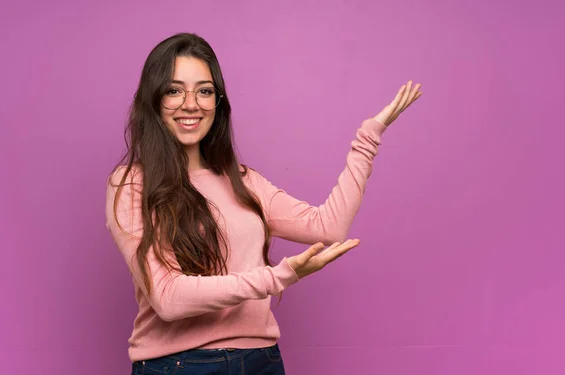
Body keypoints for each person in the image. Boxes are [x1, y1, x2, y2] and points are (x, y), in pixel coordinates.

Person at [105, 32, 422, 375]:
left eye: (205, 91)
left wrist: (369, 137)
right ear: (153, 100)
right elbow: (168, 298)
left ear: (218, 101)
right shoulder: (132, 184)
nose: (191, 103)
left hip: (261, 360)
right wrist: (278, 277)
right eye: (174, 90)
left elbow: (328, 227)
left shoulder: (243, 181)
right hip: (180, 365)